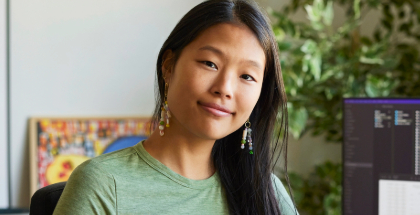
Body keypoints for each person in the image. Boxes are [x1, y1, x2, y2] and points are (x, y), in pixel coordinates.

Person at [53, 0, 296, 214]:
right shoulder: (103, 185)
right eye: (210, 63)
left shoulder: (266, 192)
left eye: (247, 76)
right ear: (169, 66)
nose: (225, 88)